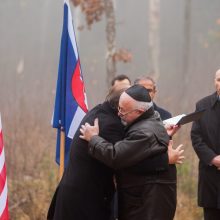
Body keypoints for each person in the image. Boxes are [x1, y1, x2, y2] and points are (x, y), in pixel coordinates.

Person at [47, 84, 181, 220]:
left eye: (123, 110)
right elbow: (121, 160)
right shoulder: (109, 125)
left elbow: (132, 153)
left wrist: (162, 137)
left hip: (86, 196)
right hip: (83, 200)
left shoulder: (102, 113)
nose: (120, 113)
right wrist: (164, 160)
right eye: (120, 109)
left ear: (139, 111)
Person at [191, 69, 220, 220]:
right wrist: (213, 159)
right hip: (211, 176)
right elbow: (196, 137)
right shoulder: (202, 105)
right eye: (219, 80)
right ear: (214, 82)